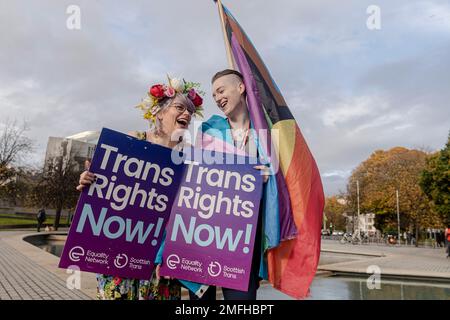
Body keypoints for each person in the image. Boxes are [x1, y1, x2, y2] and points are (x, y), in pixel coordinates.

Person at [76, 77, 204, 300]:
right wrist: (89, 180)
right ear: (160, 112)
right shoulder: (133, 142)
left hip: (161, 263)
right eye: (180, 107)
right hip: (118, 252)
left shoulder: (190, 157)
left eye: (190, 111)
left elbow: (192, 212)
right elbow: (107, 190)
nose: (187, 114)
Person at [188, 69, 270, 300]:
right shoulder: (208, 131)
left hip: (243, 241)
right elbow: (186, 168)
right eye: (214, 95)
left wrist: (267, 177)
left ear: (241, 87)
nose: (217, 98)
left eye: (221, 90)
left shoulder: (265, 134)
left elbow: (283, 182)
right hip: (203, 236)